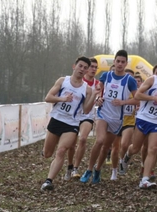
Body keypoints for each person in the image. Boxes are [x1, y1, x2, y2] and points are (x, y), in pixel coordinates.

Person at [80, 50, 138, 184]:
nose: (120, 64)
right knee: (99, 141)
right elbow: (98, 91)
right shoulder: (106, 76)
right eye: (118, 61)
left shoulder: (129, 80)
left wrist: (123, 102)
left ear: (126, 63)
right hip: (103, 113)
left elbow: (138, 100)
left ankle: (98, 170)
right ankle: (89, 169)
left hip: (117, 119)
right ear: (114, 62)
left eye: (123, 62)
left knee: (106, 147)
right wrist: (98, 99)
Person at [41, 56, 98, 191]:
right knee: (48, 153)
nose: (82, 69)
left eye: (85, 68)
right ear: (74, 66)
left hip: (71, 124)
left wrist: (94, 95)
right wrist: (62, 99)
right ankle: (44, 152)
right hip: (56, 119)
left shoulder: (87, 89)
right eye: (80, 66)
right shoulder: (63, 81)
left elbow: (86, 110)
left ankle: (48, 181)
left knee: (61, 151)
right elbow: (48, 97)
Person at [122, 57, 157, 189]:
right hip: (144, 118)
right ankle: (127, 156)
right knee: (135, 148)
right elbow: (138, 95)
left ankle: (144, 179)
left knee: (153, 149)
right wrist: (153, 98)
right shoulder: (152, 80)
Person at [63, 57, 101, 180]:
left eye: (96, 67)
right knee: (71, 144)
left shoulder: (98, 84)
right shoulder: (78, 81)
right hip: (74, 116)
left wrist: (99, 101)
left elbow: (99, 98)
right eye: (92, 67)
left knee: (83, 138)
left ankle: (75, 168)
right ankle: (70, 166)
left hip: (87, 116)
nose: (93, 69)